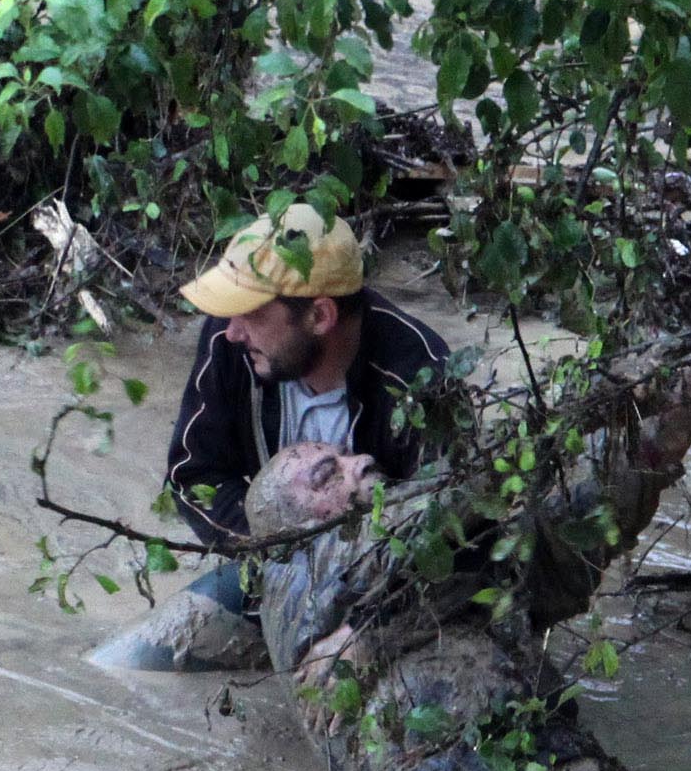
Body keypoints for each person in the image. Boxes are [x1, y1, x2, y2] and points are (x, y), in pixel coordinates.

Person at [248, 297, 691, 771]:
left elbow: (586, 522)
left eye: (346, 455)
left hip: (557, 761)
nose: (359, 462)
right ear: (287, 528)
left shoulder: (459, 558)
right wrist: (608, 392)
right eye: (326, 475)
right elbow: (426, 521)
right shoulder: (297, 571)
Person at [91, 206, 451, 671]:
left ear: (319, 315)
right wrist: (277, 552)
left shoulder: (419, 376)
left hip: (388, 591)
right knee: (127, 662)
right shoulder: (231, 340)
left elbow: (453, 534)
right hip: (273, 567)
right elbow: (193, 477)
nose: (232, 330)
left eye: (251, 313)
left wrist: (367, 631)